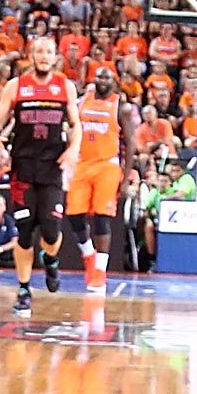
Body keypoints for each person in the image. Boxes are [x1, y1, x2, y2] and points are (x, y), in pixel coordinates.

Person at [0, 33, 78, 318]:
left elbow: (76, 125)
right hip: (23, 168)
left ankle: (50, 259)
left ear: (55, 57)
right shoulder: (17, 85)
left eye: (49, 52)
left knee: (51, 231)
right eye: (39, 52)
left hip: (52, 168)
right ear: (31, 55)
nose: (44, 57)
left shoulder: (65, 86)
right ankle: (23, 290)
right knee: (24, 233)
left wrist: (74, 148)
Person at [66, 62, 134, 287]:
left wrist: (125, 179)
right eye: (99, 77)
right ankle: (88, 255)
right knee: (74, 214)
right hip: (82, 163)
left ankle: (99, 272)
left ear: (113, 81)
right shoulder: (82, 101)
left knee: (102, 219)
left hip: (107, 166)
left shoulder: (120, 106)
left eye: (106, 78)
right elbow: (70, 127)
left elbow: (131, 144)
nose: (102, 81)